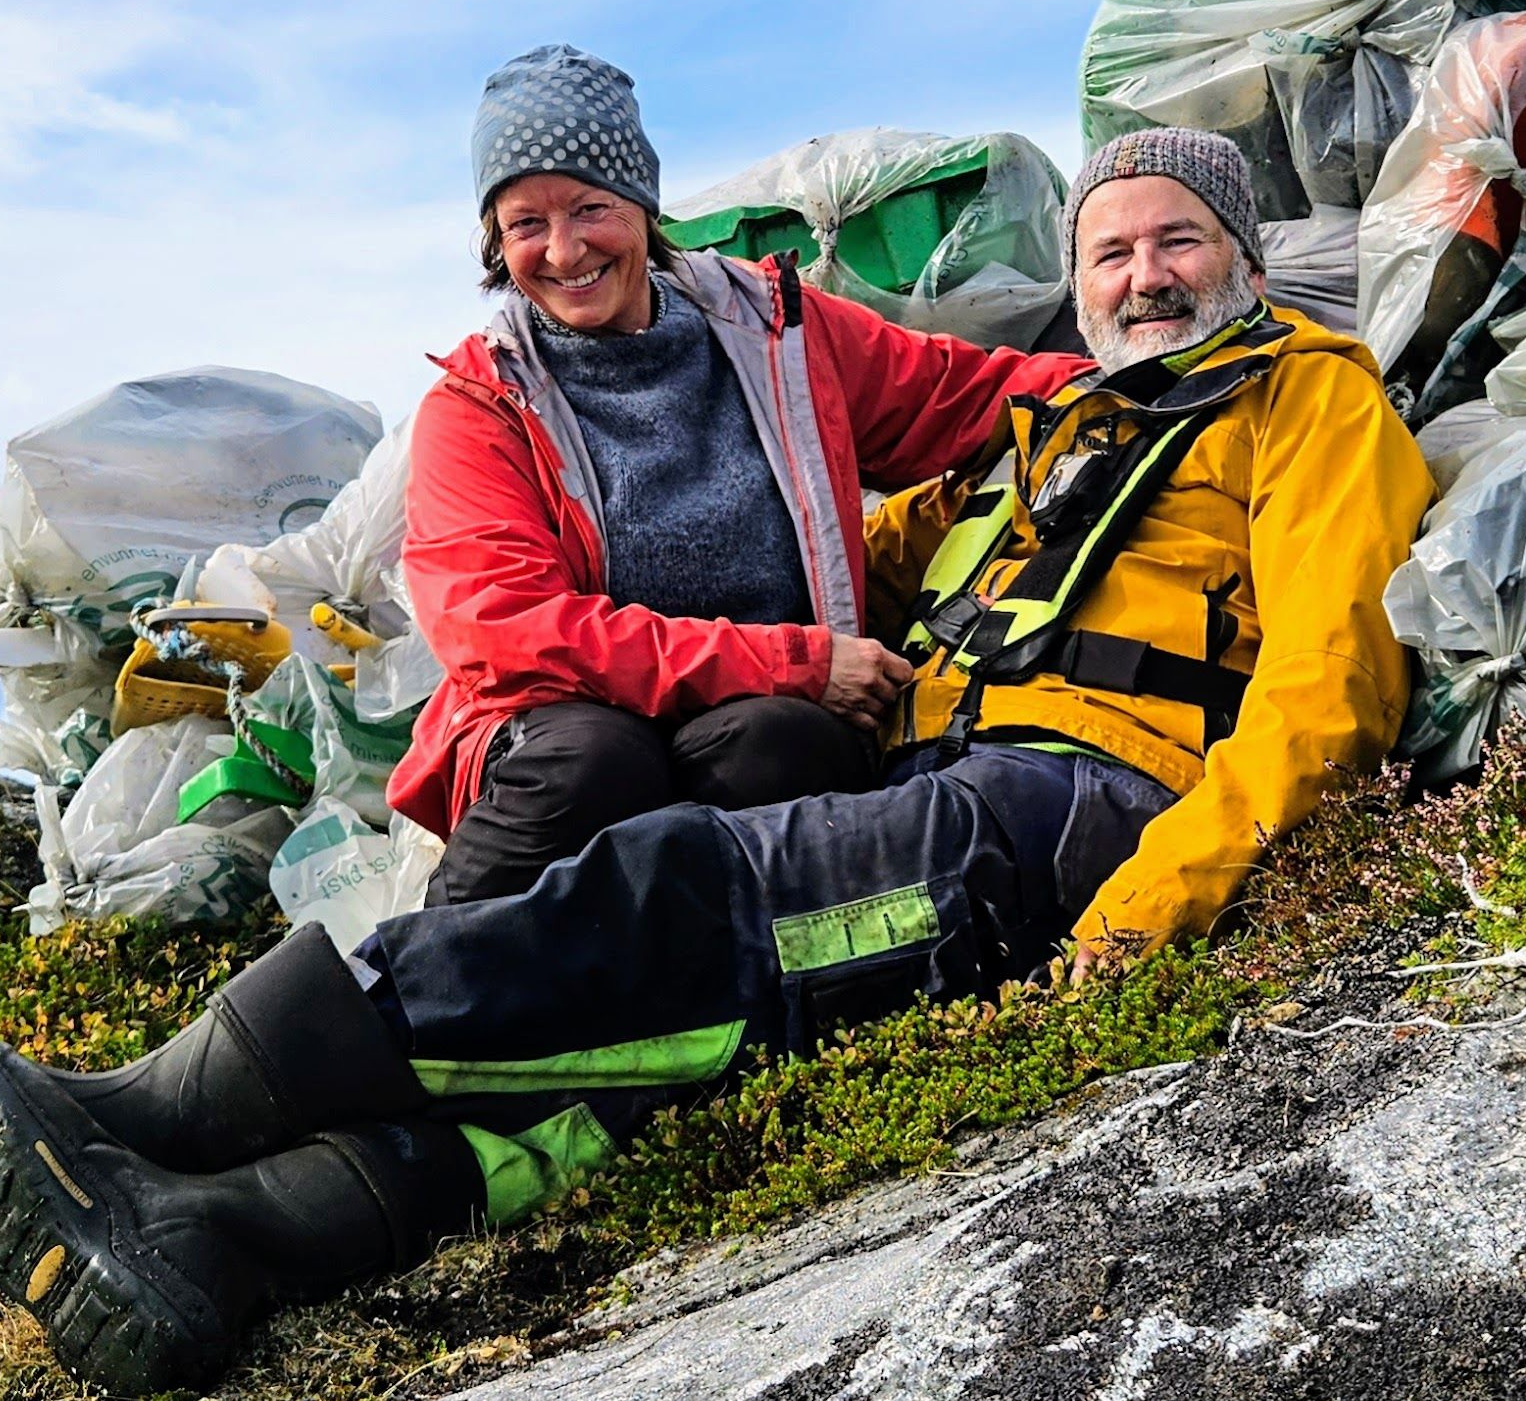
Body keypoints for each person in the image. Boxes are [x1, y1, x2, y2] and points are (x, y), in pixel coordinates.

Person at [0, 128, 1434, 1398]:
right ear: (1076, 282)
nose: (1144, 276)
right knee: (642, 1048)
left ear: (1242, 256)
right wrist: (820, 616)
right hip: (935, 786)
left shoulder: (1307, 401)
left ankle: (152, 1109)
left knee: (675, 894)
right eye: (1113, 250)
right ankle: (217, 1239)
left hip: (1072, 808)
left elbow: (1328, 677)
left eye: (1178, 244)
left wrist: (1163, 892)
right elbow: (899, 549)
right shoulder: (1049, 437)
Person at [398, 44, 1087, 903]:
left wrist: (1142, 373)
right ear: (497, 244)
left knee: (783, 747)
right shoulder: (480, 404)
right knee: (595, 762)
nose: (564, 250)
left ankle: (741, 997)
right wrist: (792, 660)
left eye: (588, 207)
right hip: (572, 722)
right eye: (525, 224)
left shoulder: (778, 333)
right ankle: (412, 985)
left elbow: (958, 397)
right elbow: (507, 628)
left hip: (759, 718)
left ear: (643, 209)